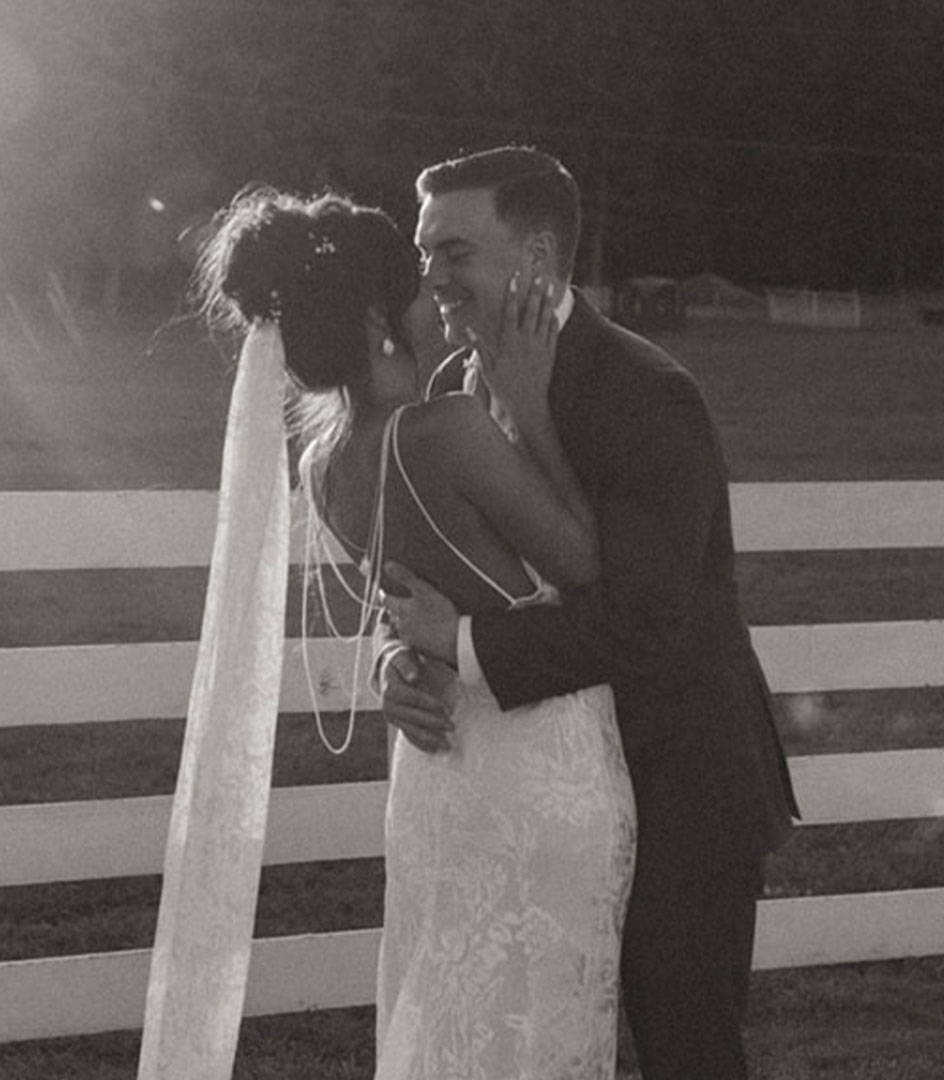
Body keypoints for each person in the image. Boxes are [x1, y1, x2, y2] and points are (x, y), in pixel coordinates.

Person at [193, 187, 637, 1078]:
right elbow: (588, 560)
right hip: (537, 765)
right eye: (416, 282)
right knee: (545, 1033)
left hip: (439, 778)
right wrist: (534, 406)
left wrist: (403, 652)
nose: (435, 294)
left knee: (449, 1014)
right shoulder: (447, 431)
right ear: (375, 316)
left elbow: (404, 598)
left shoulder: (325, 463)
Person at [380, 146, 801, 1079]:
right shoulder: (450, 393)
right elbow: (429, 566)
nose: (432, 278)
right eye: (425, 255)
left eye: (455, 252)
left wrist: (458, 643)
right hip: (538, 798)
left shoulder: (646, 393)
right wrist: (398, 663)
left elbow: (643, 622)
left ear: (535, 257)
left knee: (685, 1053)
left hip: (678, 787)